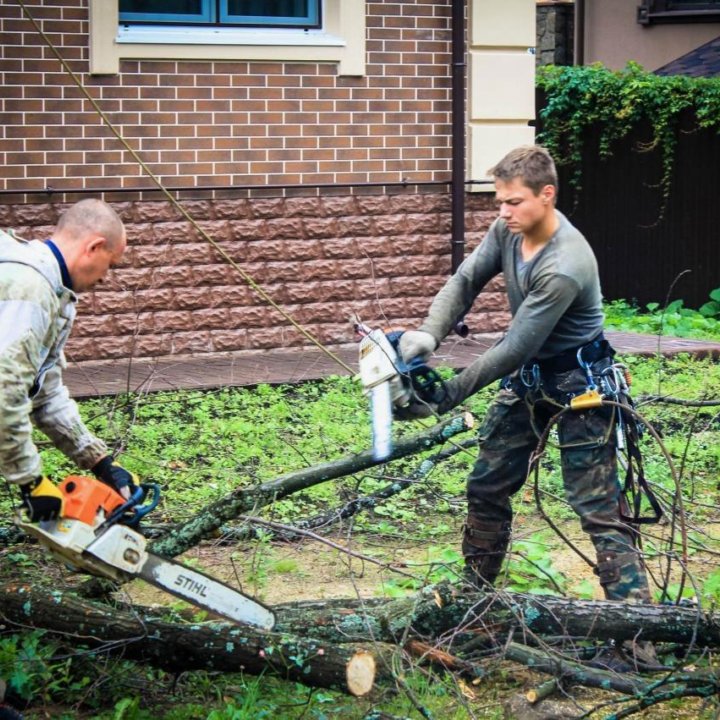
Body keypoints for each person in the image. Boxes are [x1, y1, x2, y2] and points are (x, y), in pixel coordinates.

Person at [396, 145, 651, 605]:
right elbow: (465, 280)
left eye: (514, 202)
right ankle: (476, 604)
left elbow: (515, 346)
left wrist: (445, 395)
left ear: (546, 194)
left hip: (582, 385)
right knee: (487, 484)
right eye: (500, 201)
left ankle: (636, 633)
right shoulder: (506, 231)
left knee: (596, 508)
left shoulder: (563, 266)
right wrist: (428, 335)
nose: (503, 211)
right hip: (532, 380)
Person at [0, 199, 137, 523]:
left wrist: (100, 461)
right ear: (95, 246)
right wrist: (30, 481)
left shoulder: (51, 288)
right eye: (111, 264)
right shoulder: (29, 286)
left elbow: (43, 393)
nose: (106, 277)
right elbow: (5, 391)